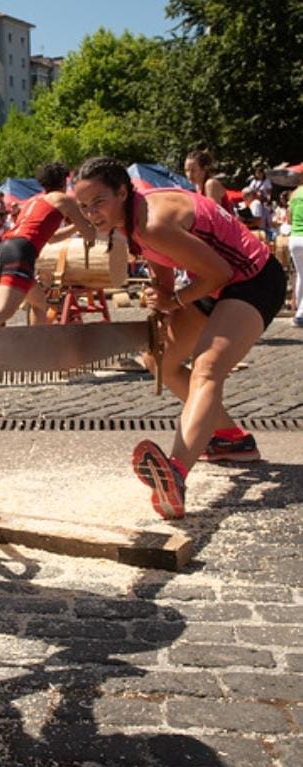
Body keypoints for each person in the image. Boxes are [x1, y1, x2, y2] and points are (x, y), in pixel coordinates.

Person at [72, 157, 288, 519]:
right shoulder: (129, 220)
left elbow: (219, 272)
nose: (92, 214)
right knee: (160, 362)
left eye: (98, 203)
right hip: (214, 281)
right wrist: (162, 300)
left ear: (123, 193)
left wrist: (173, 301)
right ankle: (231, 440)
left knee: (207, 367)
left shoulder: (153, 222)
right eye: (83, 207)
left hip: (253, 280)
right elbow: (165, 267)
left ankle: (176, 472)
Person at [0, 162, 96, 327]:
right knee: (3, 311)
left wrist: (75, 226)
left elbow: (52, 238)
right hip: (21, 253)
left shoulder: (34, 200)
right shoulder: (64, 199)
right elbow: (89, 235)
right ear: (63, 182)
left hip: (5, 250)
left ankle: (36, 345)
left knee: (39, 303)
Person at [184, 149, 231, 214]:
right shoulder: (197, 186)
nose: (189, 175)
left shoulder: (211, 184)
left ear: (204, 169)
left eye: (193, 170)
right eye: (186, 170)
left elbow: (214, 215)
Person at [288, 182, 303, 327]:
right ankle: (300, 315)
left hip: (295, 238)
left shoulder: (295, 193)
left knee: (300, 275)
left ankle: (299, 311)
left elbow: (289, 219)